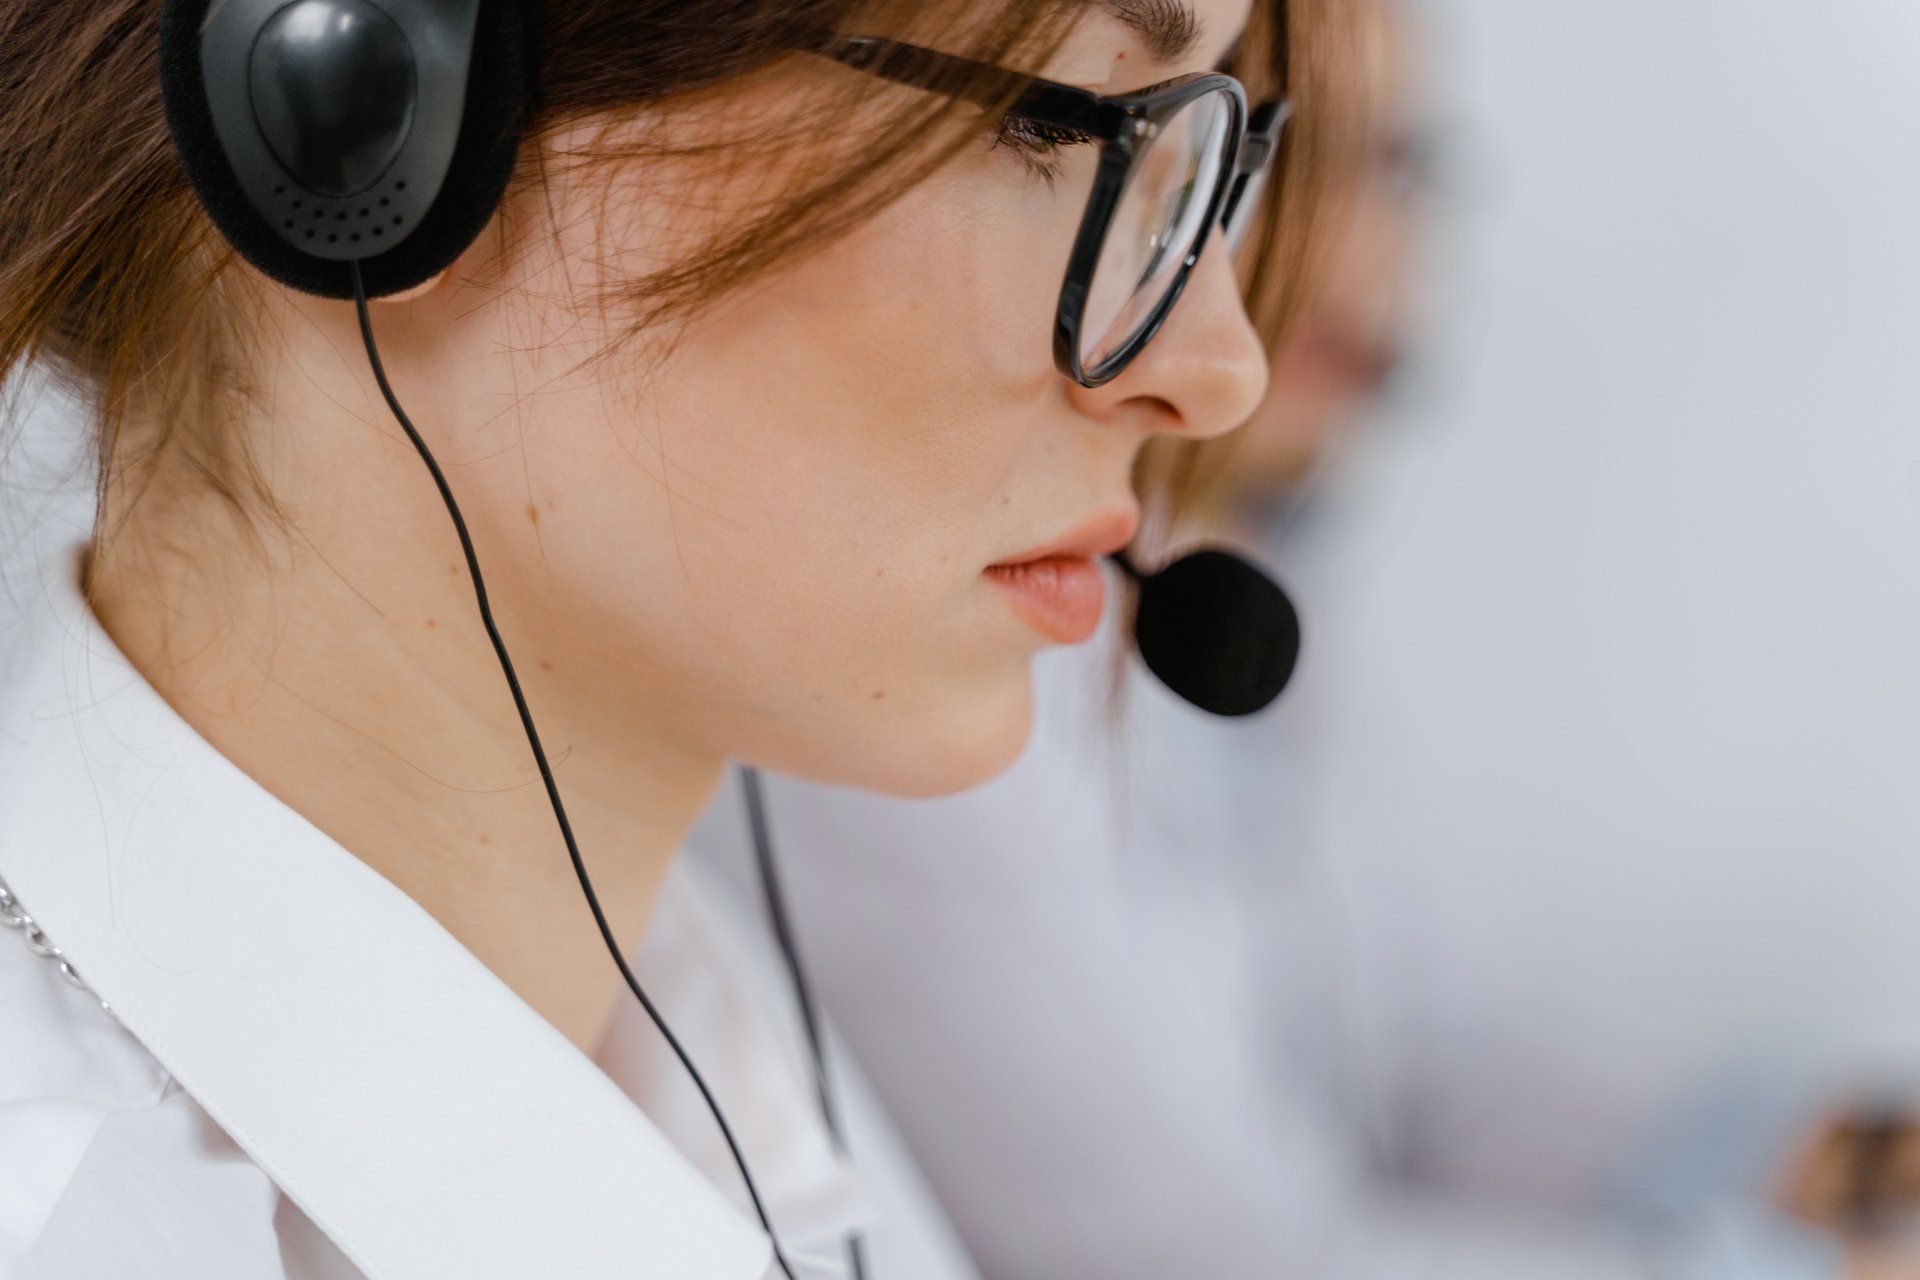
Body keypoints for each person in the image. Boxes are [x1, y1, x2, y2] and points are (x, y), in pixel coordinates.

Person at [0, 1, 1317, 1276]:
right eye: (1062, 130)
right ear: (367, 104)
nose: (1218, 369)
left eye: (1212, 158)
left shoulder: (714, 1075)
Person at [687, 3, 1920, 1278]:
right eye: (1273, 163)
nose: (1357, 254)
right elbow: (1202, 1260)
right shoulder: (922, 642)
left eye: (1388, 169)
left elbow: (1454, 1061)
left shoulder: (1246, 580)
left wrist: (1850, 1155)